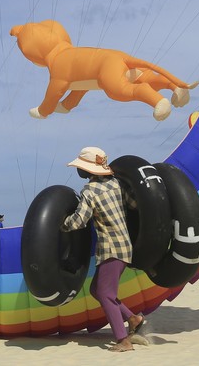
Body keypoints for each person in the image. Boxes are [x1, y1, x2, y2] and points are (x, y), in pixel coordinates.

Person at [61, 146, 144, 352]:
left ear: (87, 170)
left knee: (105, 293)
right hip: (125, 246)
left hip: (110, 248)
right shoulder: (116, 184)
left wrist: (60, 225)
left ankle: (123, 340)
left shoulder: (89, 191)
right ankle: (133, 318)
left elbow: (79, 221)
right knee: (96, 290)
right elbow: (133, 204)